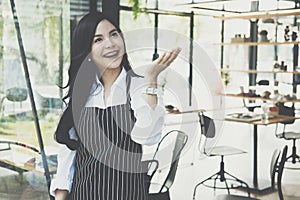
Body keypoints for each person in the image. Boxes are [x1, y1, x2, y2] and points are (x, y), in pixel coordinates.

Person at [50, 12, 181, 200]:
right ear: (86, 51)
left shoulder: (138, 86)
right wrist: (60, 197)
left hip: (127, 194)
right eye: (98, 40)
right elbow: (68, 153)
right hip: (84, 194)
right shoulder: (81, 93)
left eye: (114, 34)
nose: (110, 43)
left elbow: (149, 136)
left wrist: (151, 81)